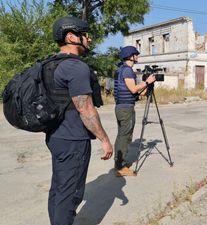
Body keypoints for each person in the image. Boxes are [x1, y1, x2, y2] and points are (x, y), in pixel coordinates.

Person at [46, 16, 113, 225]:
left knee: (58, 188)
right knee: (70, 194)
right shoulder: (76, 67)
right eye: (86, 35)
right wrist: (104, 139)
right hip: (73, 140)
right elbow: (85, 109)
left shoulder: (51, 64)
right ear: (72, 37)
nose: (89, 40)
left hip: (55, 136)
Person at [113, 46, 156, 176]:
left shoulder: (122, 69)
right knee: (125, 137)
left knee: (122, 135)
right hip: (125, 109)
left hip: (122, 106)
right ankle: (121, 167)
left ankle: (119, 163)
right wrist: (147, 82)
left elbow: (129, 91)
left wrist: (144, 92)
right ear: (130, 56)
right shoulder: (127, 70)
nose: (137, 56)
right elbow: (133, 89)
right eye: (136, 54)